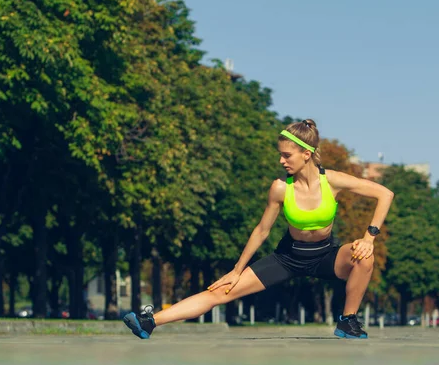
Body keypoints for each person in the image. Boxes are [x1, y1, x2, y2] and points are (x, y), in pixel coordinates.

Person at [123, 119, 394, 339]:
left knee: (365, 255)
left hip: (326, 255)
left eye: (287, 155)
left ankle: (347, 321)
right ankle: (150, 321)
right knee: (220, 291)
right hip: (288, 257)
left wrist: (369, 237)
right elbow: (262, 230)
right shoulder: (280, 188)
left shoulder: (332, 181)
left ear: (306, 154)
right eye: (280, 155)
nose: (281, 161)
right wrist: (237, 270)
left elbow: (385, 194)